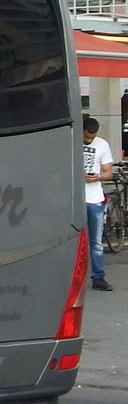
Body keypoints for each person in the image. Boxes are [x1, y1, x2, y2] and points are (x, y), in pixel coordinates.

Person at [83, 116, 115, 291]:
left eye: (92, 137)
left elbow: (108, 172)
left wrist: (98, 177)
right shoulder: (72, 140)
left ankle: (98, 277)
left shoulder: (102, 145)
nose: (89, 140)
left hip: (94, 198)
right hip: (76, 198)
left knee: (95, 241)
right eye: (86, 137)